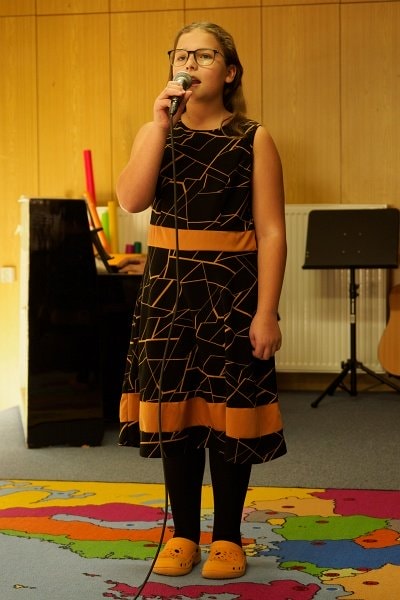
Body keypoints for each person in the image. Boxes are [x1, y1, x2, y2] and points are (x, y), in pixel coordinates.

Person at [116, 21, 287, 580]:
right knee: (176, 415)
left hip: (231, 293)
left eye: (205, 55)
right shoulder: (156, 130)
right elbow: (132, 199)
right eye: (181, 54)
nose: (189, 63)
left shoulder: (253, 138)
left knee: (230, 417)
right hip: (166, 294)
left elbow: (272, 231)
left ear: (230, 72)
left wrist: (266, 311)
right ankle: (184, 534)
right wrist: (158, 125)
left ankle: (229, 537)